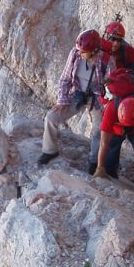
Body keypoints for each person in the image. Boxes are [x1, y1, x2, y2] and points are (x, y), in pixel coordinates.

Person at [38, 29, 106, 172]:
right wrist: (62, 100)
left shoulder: (105, 60)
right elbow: (65, 78)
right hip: (78, 94)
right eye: (79, 50)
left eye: (83, 52)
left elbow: (111, 85)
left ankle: (94, 162)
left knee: (98, 130)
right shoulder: (75, 54)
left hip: (96, 97)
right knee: (51, 117)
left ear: (93, 51)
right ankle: (50, 151)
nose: (80, 53)